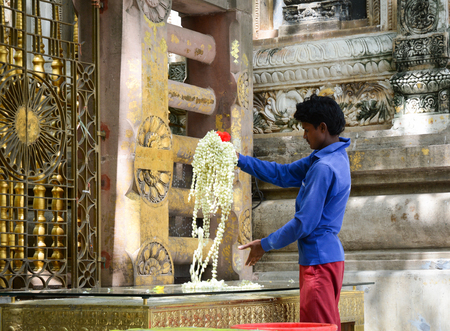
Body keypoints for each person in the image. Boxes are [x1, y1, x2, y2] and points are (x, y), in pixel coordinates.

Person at [237, 94, 351, 331]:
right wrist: (240, 161)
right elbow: (283, 174)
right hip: (328, 258)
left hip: (318, 262)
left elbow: (304, 223)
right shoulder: (333, 156)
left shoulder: (323, 167)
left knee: (318, 328)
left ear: (322, 127)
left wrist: (265, 244)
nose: (304, 135)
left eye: (307, 130)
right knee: (325, 325)